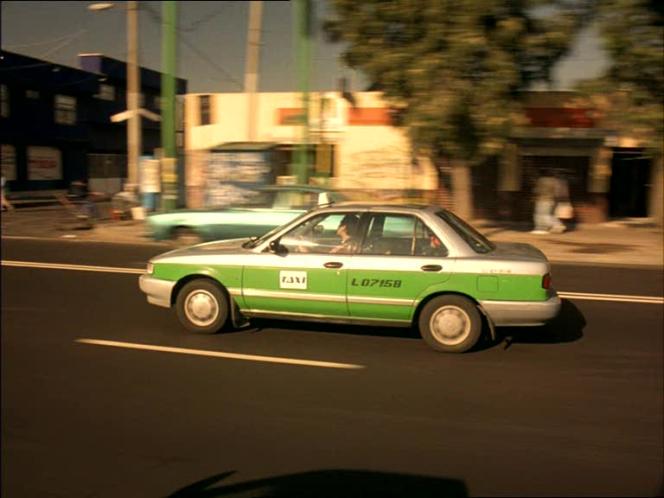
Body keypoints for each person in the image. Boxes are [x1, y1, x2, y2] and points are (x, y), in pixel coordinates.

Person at [531, 169, 557, 234]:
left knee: (539, 214)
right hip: (550, 199)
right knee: (547, 214)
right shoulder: (553, 180)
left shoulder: (541, 180)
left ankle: (541, 228)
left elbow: (537, 190)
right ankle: (545, 228)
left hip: (541, 199)